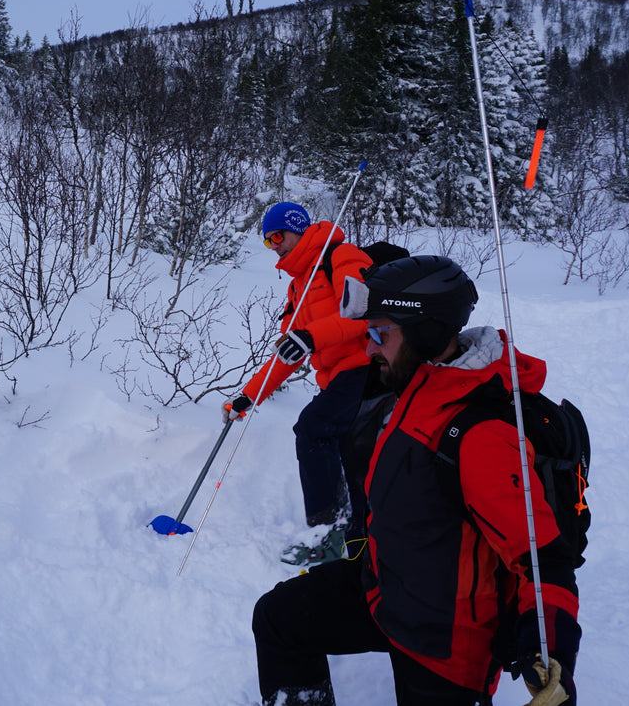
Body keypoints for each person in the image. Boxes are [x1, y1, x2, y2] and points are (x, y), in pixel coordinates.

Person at [251, 255, 580, 705]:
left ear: (426, 335)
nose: (368, 349)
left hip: (442, 646)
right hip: (384, 592)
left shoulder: (481, 435)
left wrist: (553, 654)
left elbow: (544, 560)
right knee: (279, 618)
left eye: (379, 334)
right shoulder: (416, 385)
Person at [225, 201, 375, 562]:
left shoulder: (340, 257)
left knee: (313, 427)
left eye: (277, 236)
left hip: (369, 366)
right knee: (344, 448)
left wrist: (310, 336)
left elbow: (364, 313)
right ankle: (356, 530)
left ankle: (328, 532)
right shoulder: (298, 288)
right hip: (337, 378)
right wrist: (248, 397)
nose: (273, 245)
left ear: (297, 229)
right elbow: (288, 353)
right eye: (267, 241)